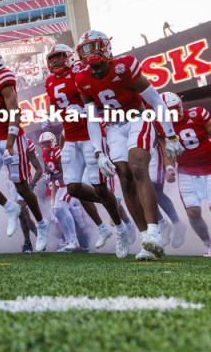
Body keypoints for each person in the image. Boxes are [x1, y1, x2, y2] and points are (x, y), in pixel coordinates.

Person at [75, 30, 183, 260]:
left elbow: (155, 100)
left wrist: (171, 134)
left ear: (106, 47)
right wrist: (98, 152)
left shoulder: (124, 65)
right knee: (123, 177)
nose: (90, 54)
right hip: (113, 127)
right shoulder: (82, 79)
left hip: (138, 119)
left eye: (94, 47)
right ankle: (147, 239)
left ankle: (155, 231)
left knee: (137, 167)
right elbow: (92, 118)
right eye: (85, 50)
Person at [44, 43, 129, 258]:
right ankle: (111, 208)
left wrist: (81, 109)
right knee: (73, 188)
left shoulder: (80, 73)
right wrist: (50, 116)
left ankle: (120, 228)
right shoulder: (50, 81)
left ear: (70, 56)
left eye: (59, 56)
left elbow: (98, 104)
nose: (54, 61)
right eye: (51, 58)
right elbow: (57, 107)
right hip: (70, 138)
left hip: (90, 136)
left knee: (99, 188)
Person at [0, 49, 49, 252]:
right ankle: (10, 207)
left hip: (12, 137)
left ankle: (42, 225)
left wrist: (9, 144)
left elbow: (14, 111)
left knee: (22, 187)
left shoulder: (4, 76)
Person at [161, 92, 211, 256]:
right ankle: (208, 244)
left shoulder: (197, 113)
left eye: (175, 110)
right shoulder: (163, 127)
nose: (174, 114)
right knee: (193, 212)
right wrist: (169, 169)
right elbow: (167, 154)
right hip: (187, 171)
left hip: (209, 165)